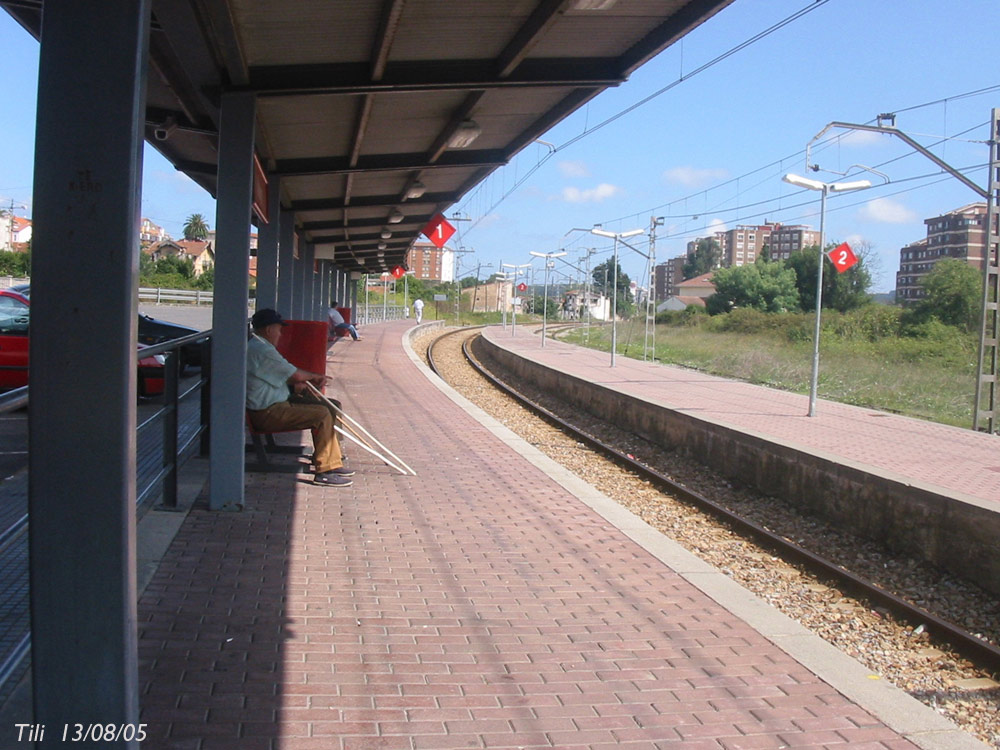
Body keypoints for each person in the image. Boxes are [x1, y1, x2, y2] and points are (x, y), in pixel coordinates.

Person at [246, 308, 355, 487]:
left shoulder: (259, 346)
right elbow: (294, 374)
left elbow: (281, 376)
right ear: (269, 330)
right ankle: (325, 471)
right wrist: (314, 376)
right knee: (321, 414)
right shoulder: (261, 350)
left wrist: (298, 386)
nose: (280, 334)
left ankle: (331, 456)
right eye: (279, 329)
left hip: (275, 404)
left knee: (331, 405)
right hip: (267, 412)